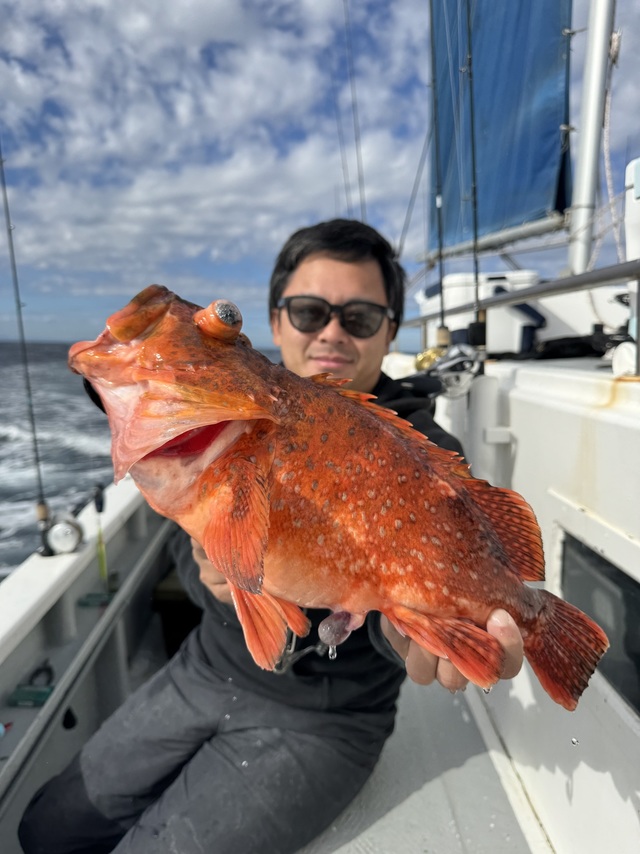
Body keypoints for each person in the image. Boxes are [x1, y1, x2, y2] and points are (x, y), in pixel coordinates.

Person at [19, 219, 524, 854]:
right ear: (277, 322)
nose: (332, 333)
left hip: (328, 719)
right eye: (310, 312)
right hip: (207, 667)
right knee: (45, 829)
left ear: (391, 330)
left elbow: (394, 607)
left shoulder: (429, 453)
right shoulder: (230, 416)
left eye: (360, 318)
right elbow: (181, 540)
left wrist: (408, 635)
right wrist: (208, 569)